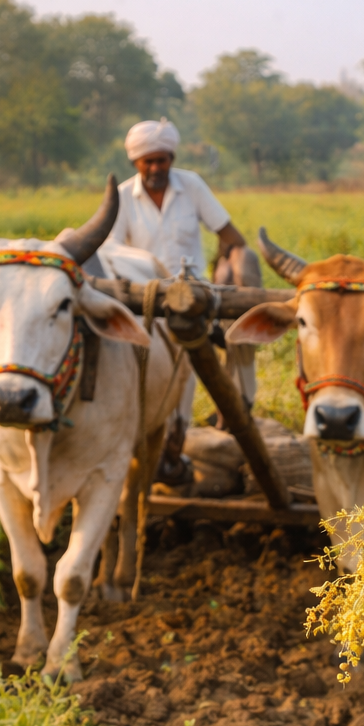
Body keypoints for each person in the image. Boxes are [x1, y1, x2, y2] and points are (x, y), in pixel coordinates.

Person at [107, 118, 262, 482]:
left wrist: (226, 271)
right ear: (136, 162)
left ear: (171, 159)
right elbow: (110, 249)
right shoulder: (122, 197)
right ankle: (157, 443)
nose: (155, 168)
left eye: (161, 160)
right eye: (148, 161)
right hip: (145, 300)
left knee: (187, 373)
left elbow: (231, 236)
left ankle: (184, 435)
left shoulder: (191, 185)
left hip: (194, 298)